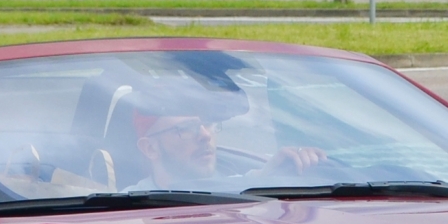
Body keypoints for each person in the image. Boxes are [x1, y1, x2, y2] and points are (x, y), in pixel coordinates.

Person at [127, 81, 324, 191]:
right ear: (150, 148)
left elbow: (251, 181)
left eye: (208, 124)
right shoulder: (126, 211)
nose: (205, 135)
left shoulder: (241, 188)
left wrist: (285, 167)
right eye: (186, 129)